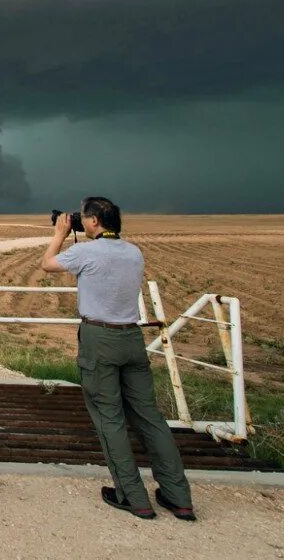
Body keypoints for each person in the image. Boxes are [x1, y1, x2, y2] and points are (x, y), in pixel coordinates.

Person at [41, 196, 197, 521]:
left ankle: (132, 496)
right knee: (150, 418)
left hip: (100, 339)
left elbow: (48, 264)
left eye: (84, 218)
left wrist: (59, 233)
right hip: (132, 337)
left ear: (95, 221)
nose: (81, 222)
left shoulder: (85, 252)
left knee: (109, 418)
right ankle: (178, 497)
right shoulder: (133, 252)